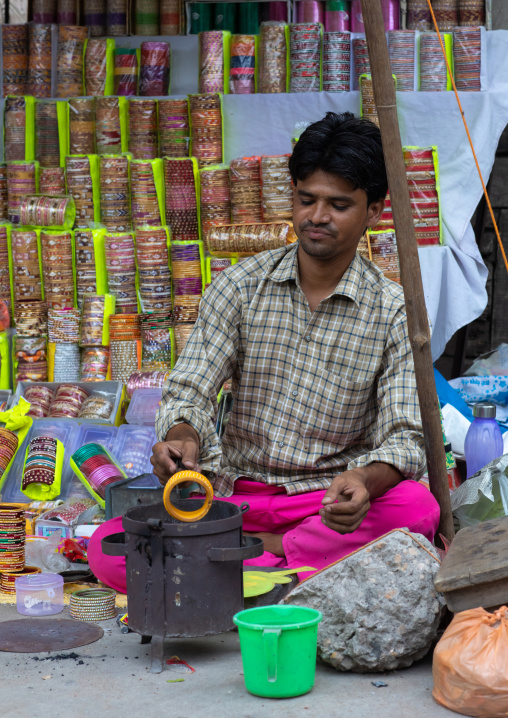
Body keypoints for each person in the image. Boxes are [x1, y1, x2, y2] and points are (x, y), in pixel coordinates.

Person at [88, 112, 440, 592]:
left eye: (338, 204)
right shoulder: (238, 287)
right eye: (306, 199)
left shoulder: (393, 310)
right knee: (106, 548)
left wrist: (363, 479)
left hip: (326, 501)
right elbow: (191, 388)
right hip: (236, 496)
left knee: (416, 508)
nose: (317, 217)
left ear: (374, 211)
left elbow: (405, 434)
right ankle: (291, 569)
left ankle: (243, 564)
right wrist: (182, 436)